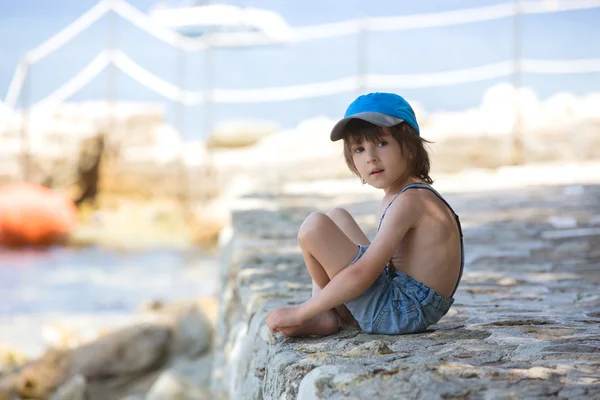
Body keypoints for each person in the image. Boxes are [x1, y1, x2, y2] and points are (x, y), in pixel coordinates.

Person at [265, 92, 464, 336]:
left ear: (410, 148)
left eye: (382, 143)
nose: (371, 157)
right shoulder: (405, 194)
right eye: (359, 149)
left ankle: (319, 312)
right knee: (337, 217)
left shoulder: (409, 201)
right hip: (406, 303)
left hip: (401, 312)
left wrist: (300, 312)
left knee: (314, 227)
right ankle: (328, 312)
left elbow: (364, 271)